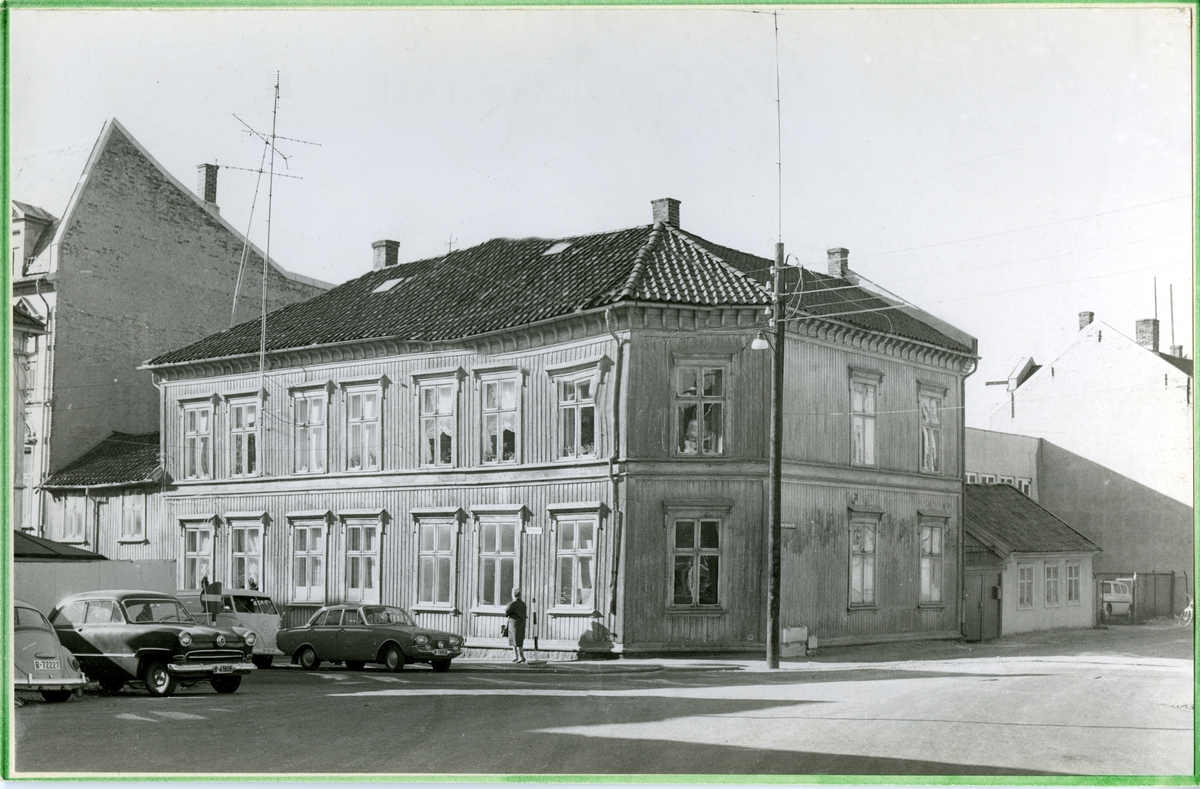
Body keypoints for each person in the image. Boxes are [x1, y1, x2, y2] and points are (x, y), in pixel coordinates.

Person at [504, 589, 527, 663]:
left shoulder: (512, 604)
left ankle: (518, 656)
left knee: (514, 639)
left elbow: (506, 612)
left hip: (513, 623)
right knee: (519, 639)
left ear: (513, 595)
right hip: (522, 623)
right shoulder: (523, 604)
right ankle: (520, 656)